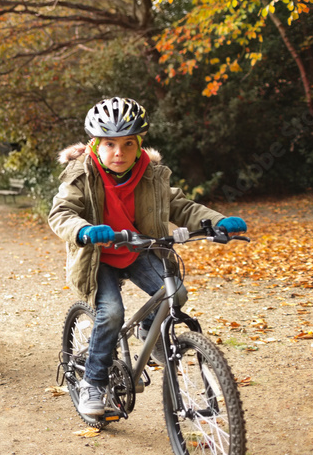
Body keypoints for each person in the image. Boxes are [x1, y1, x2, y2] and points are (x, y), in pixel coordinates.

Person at [48, 97, 247, 418]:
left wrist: (216, 222)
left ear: (139, 143)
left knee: (175, 293)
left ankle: (148, 332)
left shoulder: (150, 173)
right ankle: (94, 383)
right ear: (95, 144)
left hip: (138, 249)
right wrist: (84, 230)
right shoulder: (81, 175)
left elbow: (181, 207)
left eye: (128, 144)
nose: (119, 152)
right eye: (109, 144)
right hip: (98, 257)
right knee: (111, 312)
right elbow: (62, 212)